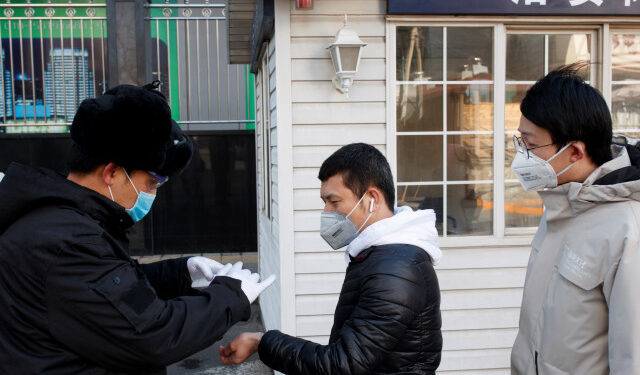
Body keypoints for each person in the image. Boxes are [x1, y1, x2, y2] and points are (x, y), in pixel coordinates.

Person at [0, 82, 274, 374]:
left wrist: (180, 273)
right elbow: (153, 335)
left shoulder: (63, 221)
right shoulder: (67, 241)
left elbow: (111, 293)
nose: (152, 194)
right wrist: (231, 297)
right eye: (152, 182)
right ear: (113, 172)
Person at [219, 143, 443, 374]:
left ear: (372, 199)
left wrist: (262, 342)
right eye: (324, 202)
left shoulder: (396, 271)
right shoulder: (383, 256)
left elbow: (340, 364)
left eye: (334, 202)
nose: (326, 212)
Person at [510, 64, 640, 374]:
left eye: (529, 144)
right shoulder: (561, 206)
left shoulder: (627, 230)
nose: (521, 154)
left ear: (575, 152)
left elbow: (632, 357)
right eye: (520, 141)